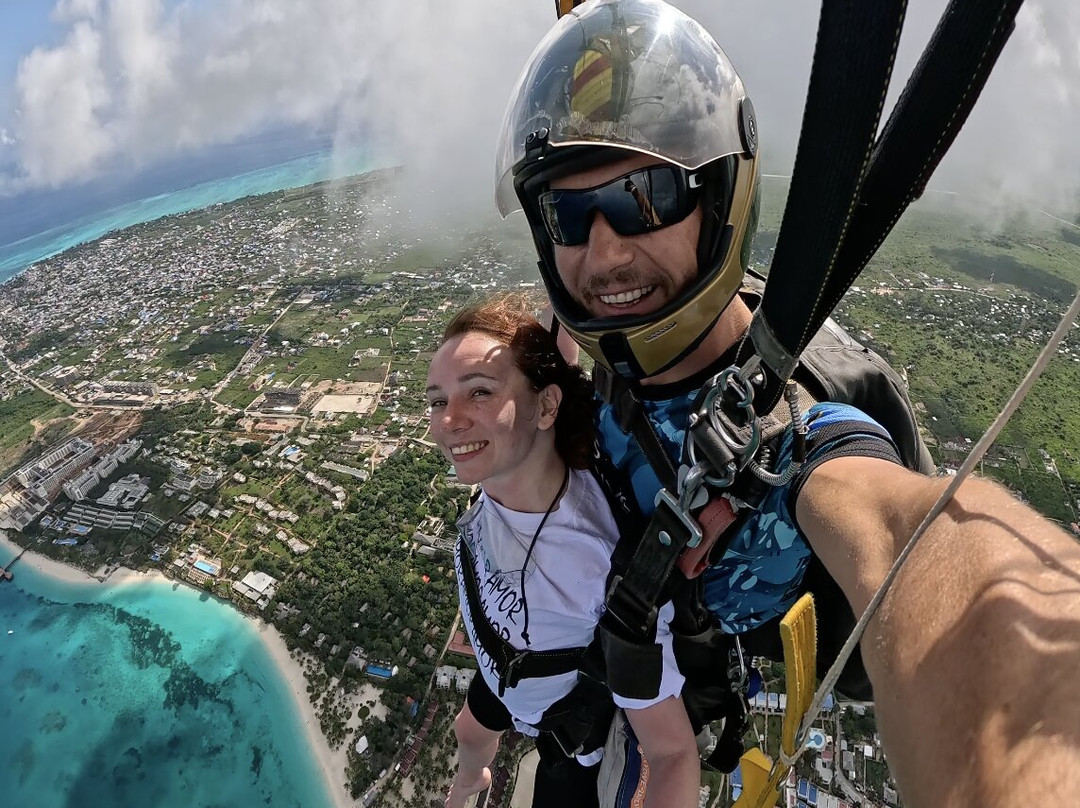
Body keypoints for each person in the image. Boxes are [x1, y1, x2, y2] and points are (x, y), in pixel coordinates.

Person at [492, 0, 1080, 804]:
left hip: (687, 700)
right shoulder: (597, 352)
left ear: (719, 197)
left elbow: (916, 542)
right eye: (567, 210)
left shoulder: (800, 444)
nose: (604, 250)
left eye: (647, 197)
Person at [427, 293, 700, 808]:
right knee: (469, 732)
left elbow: (673, 754)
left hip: (566, 729)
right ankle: (471, 782)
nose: (448, 421)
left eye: (478, 392)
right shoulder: (508, 467)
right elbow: (558, 352)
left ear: (546, 407)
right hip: (509, 667)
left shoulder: (598, 565)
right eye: (437, 400)